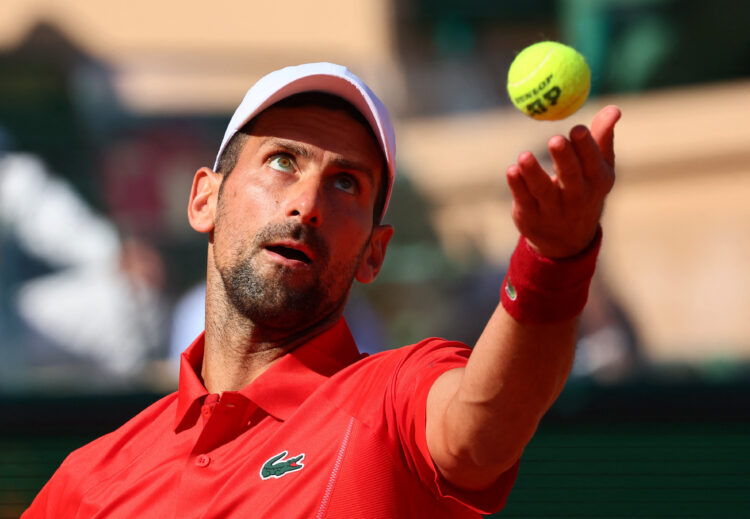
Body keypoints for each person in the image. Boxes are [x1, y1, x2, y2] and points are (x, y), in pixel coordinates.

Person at [23, 62, 621, 518]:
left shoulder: (394, 399)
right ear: (205, 199)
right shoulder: (86, 482)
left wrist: (553, 260)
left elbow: (483, 427)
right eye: (283, 161)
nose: (307, 204)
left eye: (345, 183)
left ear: (374, 253)